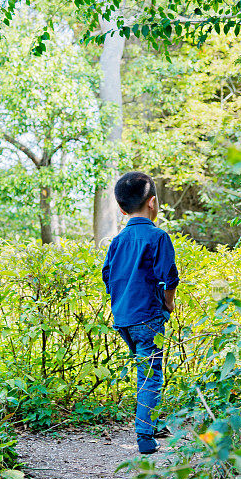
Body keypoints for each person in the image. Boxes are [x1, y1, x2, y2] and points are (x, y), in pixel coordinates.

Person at [102, 171, 179, 454]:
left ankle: (152, 422)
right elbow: (169, 277)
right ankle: (145, 436)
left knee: (144, 369)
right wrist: (168, 302)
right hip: (148, 316)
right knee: (150, 373)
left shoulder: (117, 241)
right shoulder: (158, 237)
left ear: (122, 210)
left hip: (123, 319)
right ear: (153, 203)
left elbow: (108, 276)